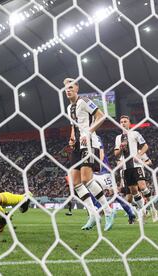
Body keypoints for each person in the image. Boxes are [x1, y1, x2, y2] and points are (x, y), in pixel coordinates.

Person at [64, 78, 114, 231]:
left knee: (86, 179)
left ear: (77, 88)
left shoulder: (84, 101)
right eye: (66, 88)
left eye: (71, 87)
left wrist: (89, 132)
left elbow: (102, 116)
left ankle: (108, 211)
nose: (68, 90)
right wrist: (72, 138)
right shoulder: (69, 108)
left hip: (89, 143)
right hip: (78, 145)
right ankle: (93, 215)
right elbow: (74, 126)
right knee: (75, 182)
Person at [91, 135, 136, 224]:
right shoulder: (83, 137)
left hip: (103, 170)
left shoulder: (95, 137)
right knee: (90, 189)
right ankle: (102, 211)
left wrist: (100, 166)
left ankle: (130, 214)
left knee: (114, 194)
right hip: (93, 170)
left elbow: (101, 153)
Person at [114, 115, 151, 221]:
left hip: (136, 166)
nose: (123, 123)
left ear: (129, 123)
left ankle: (154, 207)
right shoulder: (118, 138)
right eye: (121, 122)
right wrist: (121, 149)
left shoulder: (135, 134)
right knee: (134, 191)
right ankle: (144, 212)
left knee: (142, 186)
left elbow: (145, 146)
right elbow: (116, 154)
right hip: (126, 168)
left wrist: (139, 156)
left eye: (125, 121)